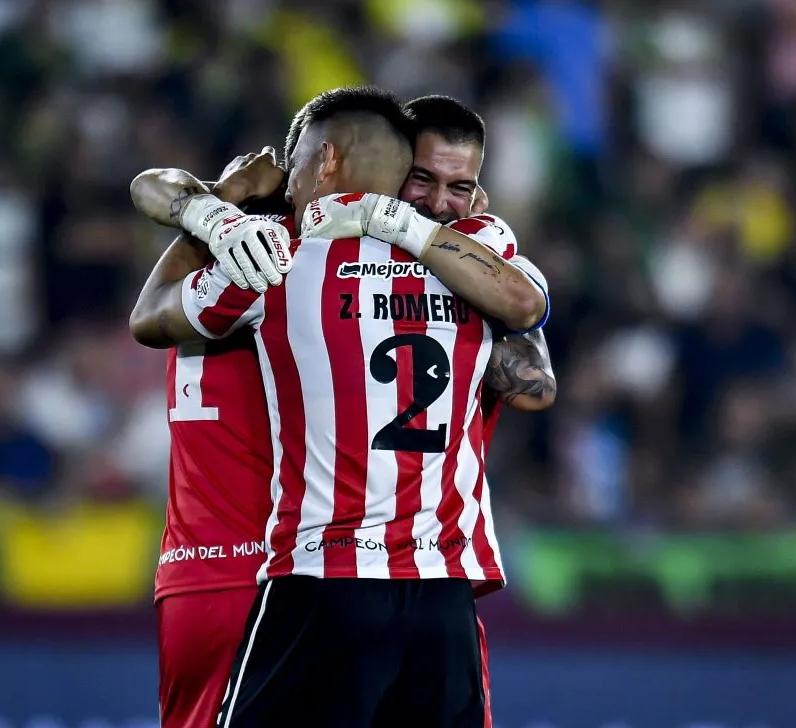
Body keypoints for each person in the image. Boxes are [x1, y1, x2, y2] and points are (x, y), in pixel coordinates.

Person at [128, 88, 553, 728]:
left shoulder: (276, 254)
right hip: (435, 583)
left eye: (457, 188)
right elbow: (533, 369)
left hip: (286, 570)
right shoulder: (476, 254)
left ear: (322, 159)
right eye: (424, 182)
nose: (439, 202)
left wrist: (216, 210)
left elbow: (148, 308)